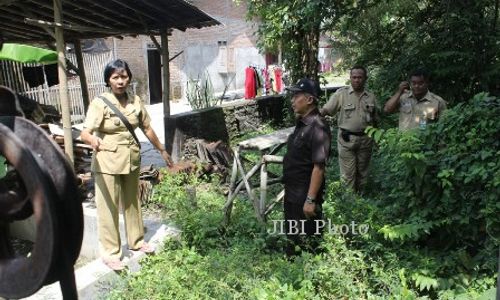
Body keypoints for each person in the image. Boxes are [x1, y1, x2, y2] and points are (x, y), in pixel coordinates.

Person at [80, 59, 173, 271]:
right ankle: (111, 253)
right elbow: (86, 131)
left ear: (129, 77)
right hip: (107, 160)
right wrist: (93, 140)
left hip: (131, 159)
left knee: (132, 202)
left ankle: (137, 241)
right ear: (108, 80)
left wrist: (161, 149)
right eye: (115, 77)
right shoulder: (99, 103)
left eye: (123, 76)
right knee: (108, 207)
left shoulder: (135, 101)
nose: (120, 81)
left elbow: (147, 128)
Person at [283, 78, 331, 257]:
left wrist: (310, 200)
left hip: (304, 195)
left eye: (296, 96)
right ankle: (292, 270)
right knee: (293, 237)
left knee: (308, 241)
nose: (292, 100)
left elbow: (319, 167)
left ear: (309, 100)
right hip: (293, 192)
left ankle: (312, 276)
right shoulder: (302, 122)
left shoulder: (318, 127)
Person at [320, 65, 378, 193]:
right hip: (346, 139)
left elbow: (375, 120)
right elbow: (326, 110)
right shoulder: (341, 94)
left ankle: (361, 199)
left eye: (360, 77)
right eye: (354, 77)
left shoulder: (371, 97)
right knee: (347, 175)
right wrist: (311, 116)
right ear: (350, 78)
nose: (357, 80)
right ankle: (349, 202)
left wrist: (377, 139)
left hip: (366, 139)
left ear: (365, 78)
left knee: (363, 172)